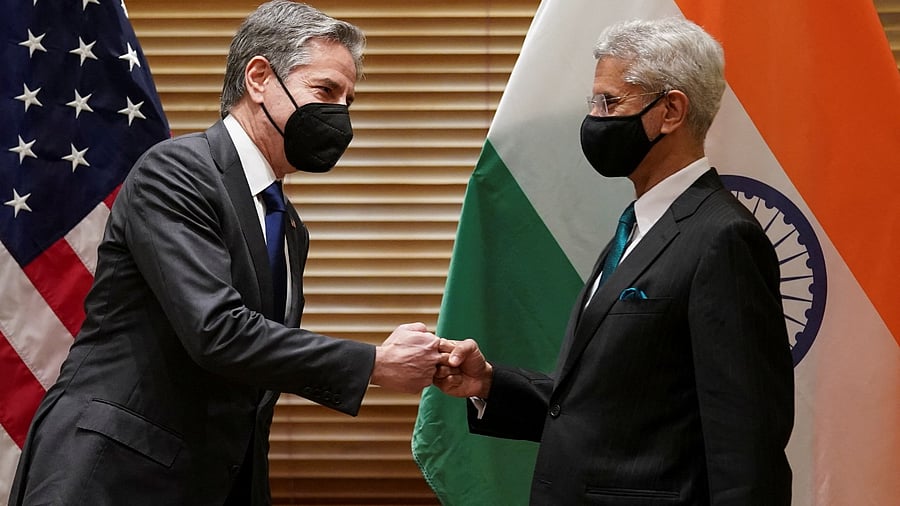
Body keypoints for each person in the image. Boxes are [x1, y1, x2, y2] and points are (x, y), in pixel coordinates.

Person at [9, 2, 442, 505]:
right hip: (112, 478)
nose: (340, 114)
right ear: (259, 78)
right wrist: (373, 364)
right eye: (325, 91)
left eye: (349, 100)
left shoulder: (288, 225)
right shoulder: (178, 172)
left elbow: (254, 376)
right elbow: (217, 331)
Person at [434, 17, 794, 505]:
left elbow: (746, 444)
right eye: (594, 103)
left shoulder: (724, 238)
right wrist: (491, 384)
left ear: (670, 111)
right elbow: (606, 404)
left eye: (609, 103)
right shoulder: (637, 226)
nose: (594, 119)